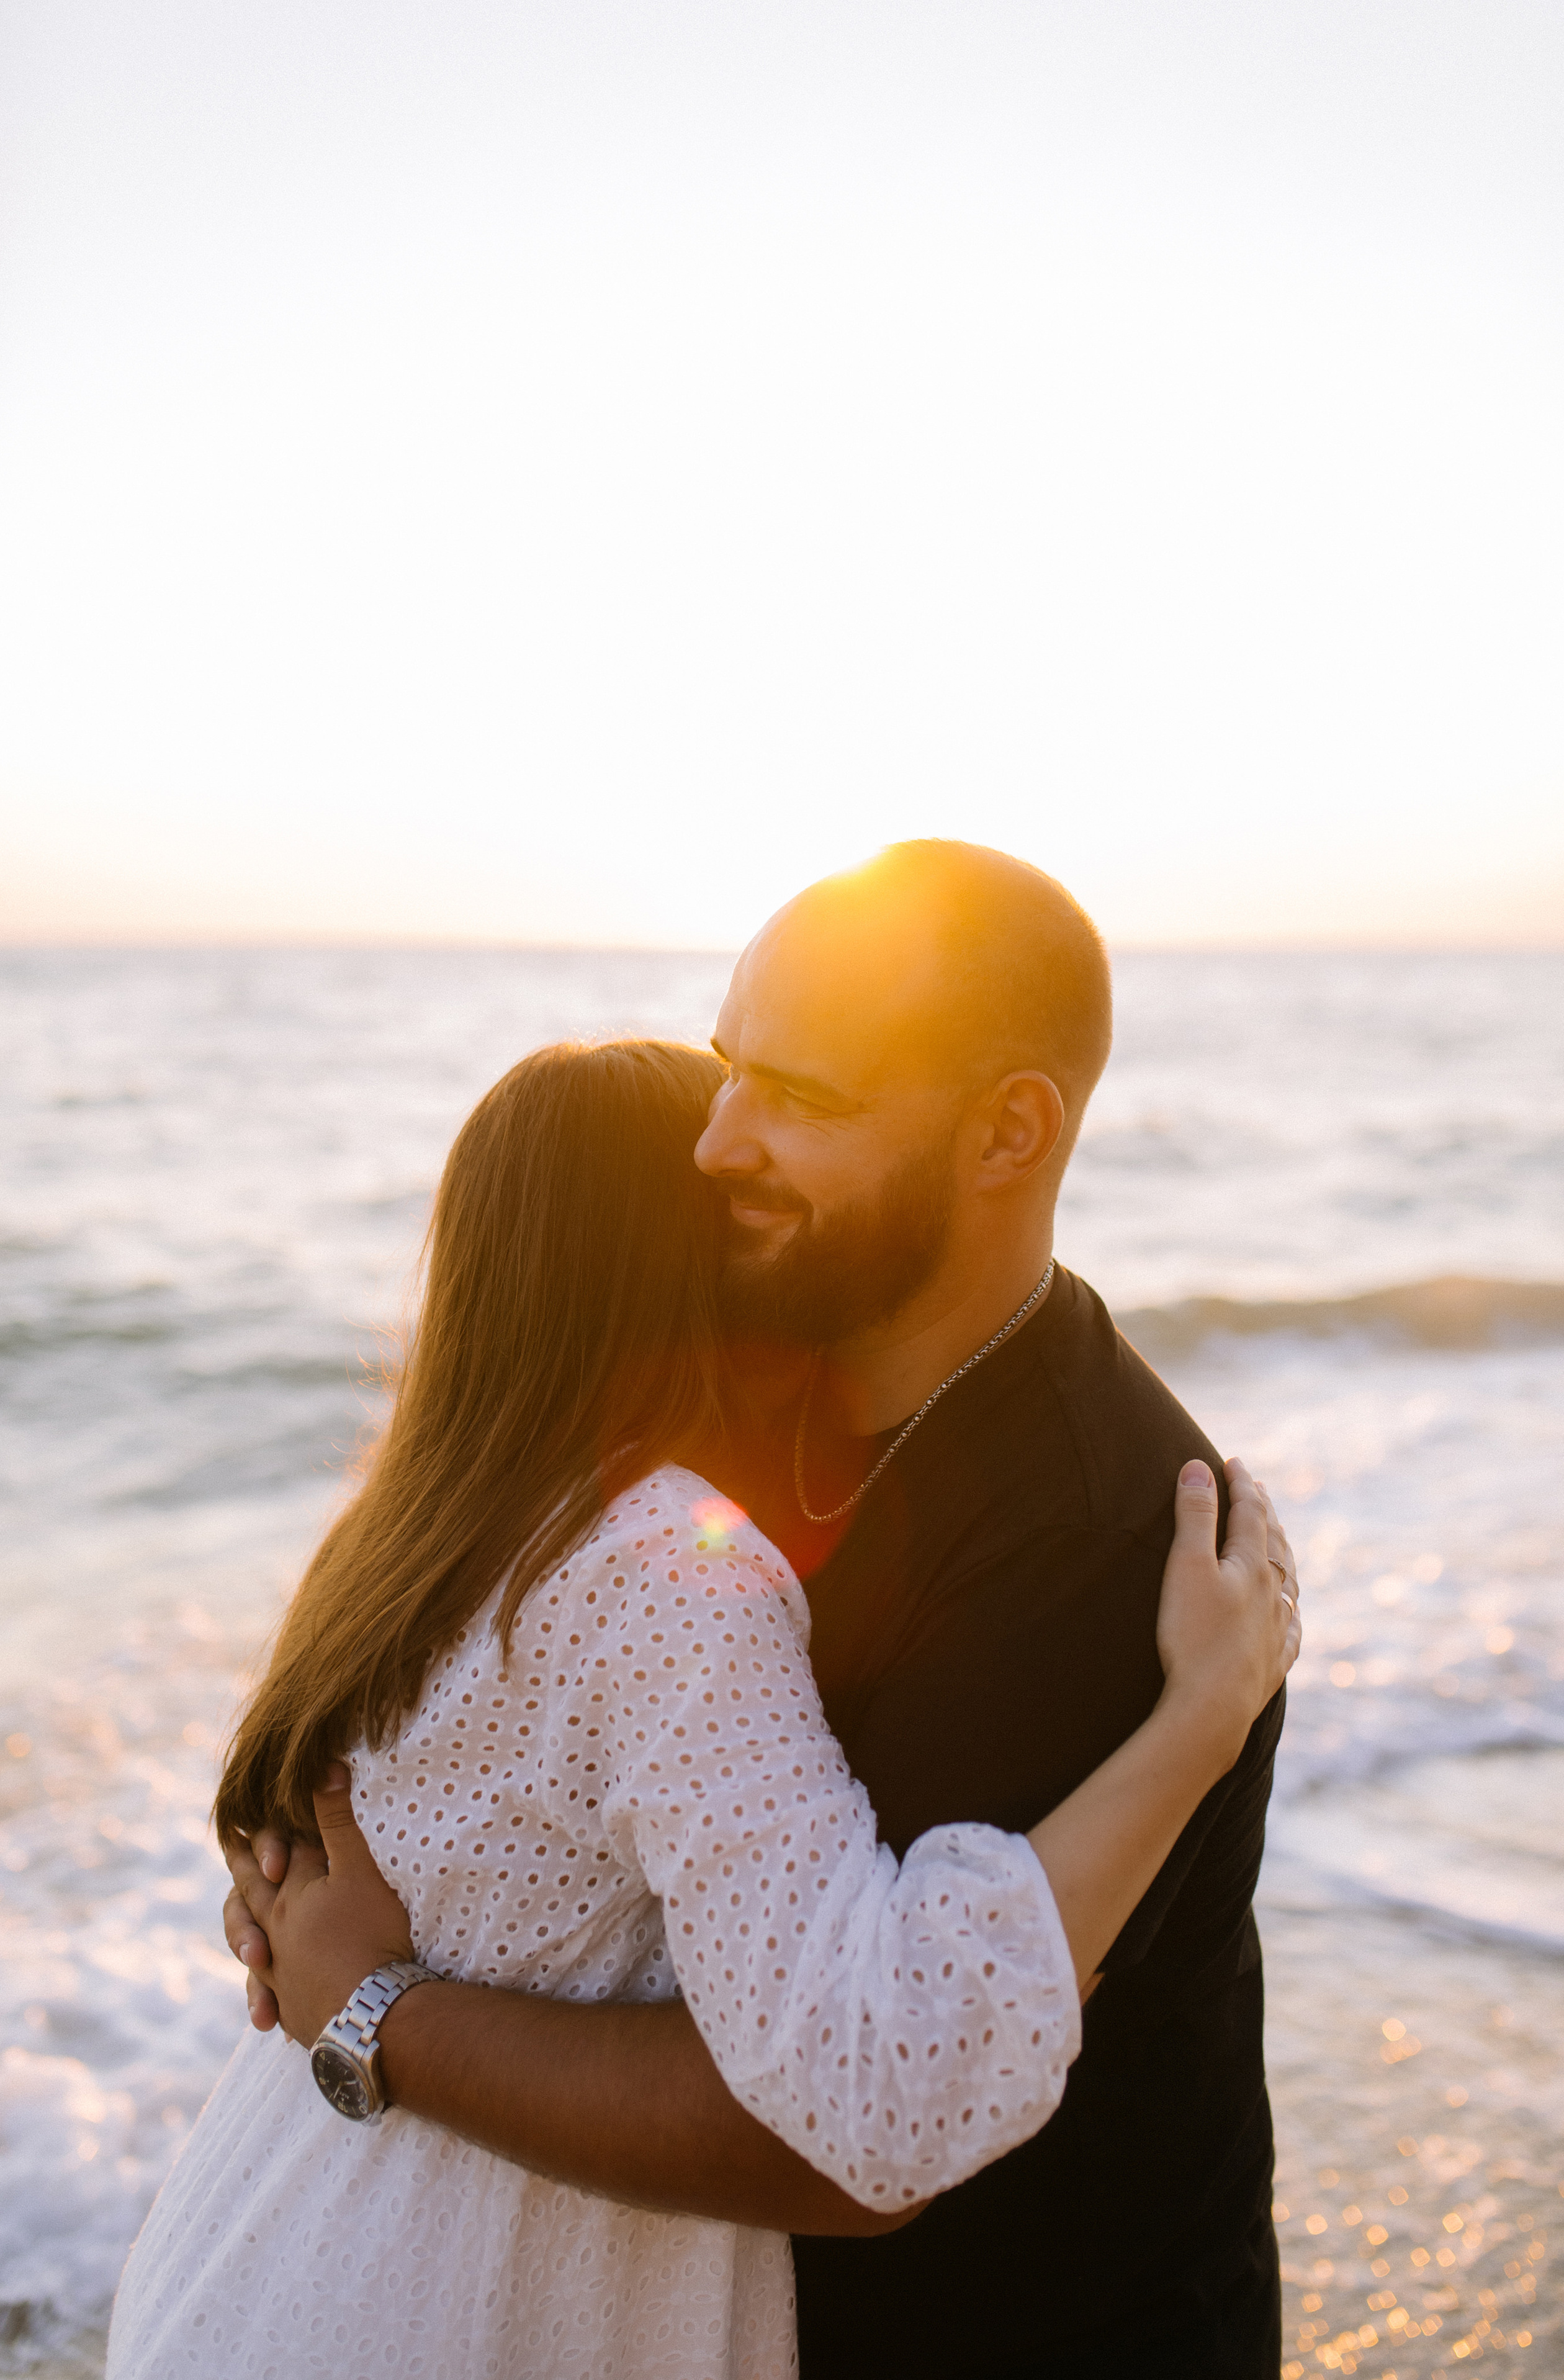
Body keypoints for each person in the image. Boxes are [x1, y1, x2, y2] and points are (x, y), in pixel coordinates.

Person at [221, 842, 1298, 2375]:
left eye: (803, 1097)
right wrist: (324, 1869)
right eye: (731, 1068)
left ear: (1009, 1131)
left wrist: (369, 2011)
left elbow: (822, 2135)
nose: (718, 1142)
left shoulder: (1100, 1540)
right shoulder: (749, 1386)